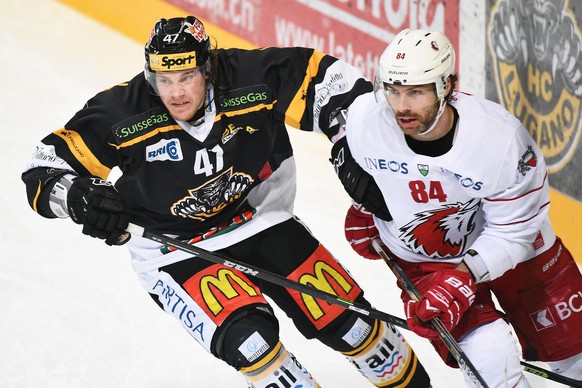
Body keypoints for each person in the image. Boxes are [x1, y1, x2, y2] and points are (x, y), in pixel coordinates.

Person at [22, 16, 432, 387]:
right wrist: (77, 198)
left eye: (186, 76)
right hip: (174, 249)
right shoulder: (122, 111)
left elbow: (330, 80)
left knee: (354, 327)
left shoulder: (250, 78)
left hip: (260, 220)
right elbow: (43, 169)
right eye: (164, 80)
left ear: (208, 67)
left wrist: (347, 143)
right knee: (255, 347)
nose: (176, 92)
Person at [331, 28, 582, 387]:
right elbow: (372, 171)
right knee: (492, 368)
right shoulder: (365, 119)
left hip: (519, 254)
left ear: (447, 85)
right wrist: (368, 207)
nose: (402, 106)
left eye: (415, 92)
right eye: (394, 90)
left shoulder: (501, 140)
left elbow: (516, 229)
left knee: (574, 357)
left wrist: (465, 275)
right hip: (426, 259)